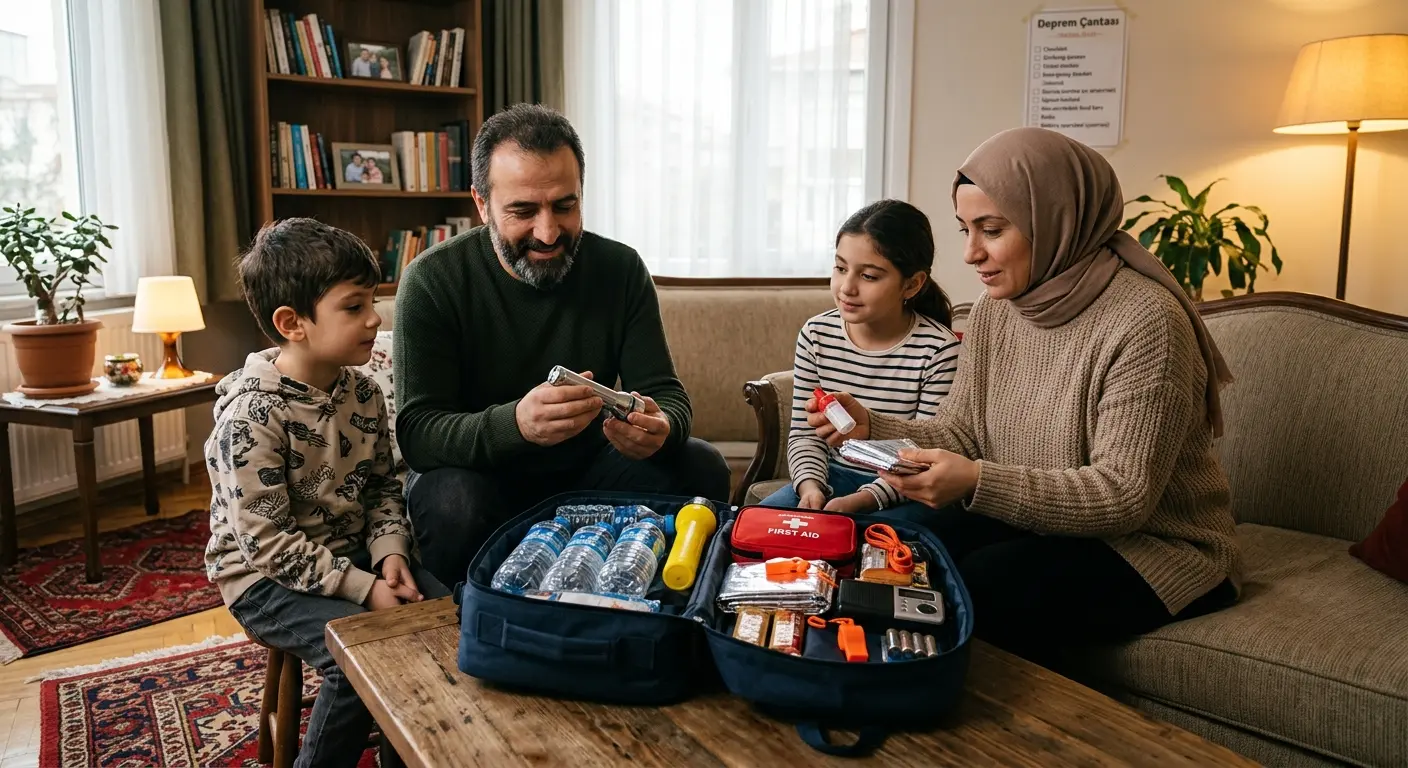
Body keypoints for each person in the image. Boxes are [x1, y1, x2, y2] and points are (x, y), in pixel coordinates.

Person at [809, 127, 1240, 665]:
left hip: (1152, 544)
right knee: (897, 547)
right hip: (1036, 519)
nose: (970, 254)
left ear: (1054, 219)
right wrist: (874, 424)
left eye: (991, 229)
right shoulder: (998, 308)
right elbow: (962, 431)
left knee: (979, 585)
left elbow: (1122, 496)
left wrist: (976, 479)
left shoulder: (1146, 321)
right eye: (965, 229)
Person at [394, 103, 731, 589]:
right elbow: (419, 434)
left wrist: (661, 427)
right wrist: (517, 424)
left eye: (564, 206)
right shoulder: (431, 280)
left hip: (591, 474)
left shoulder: (620, 270)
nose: (548, 233)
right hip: (481, 478)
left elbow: (666, 392)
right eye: (523, 211)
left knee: (700, 465)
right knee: (451, 501)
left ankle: (650, 607)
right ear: (481, 203)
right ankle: (485, 614)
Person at [206, 218, 449, 768]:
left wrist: (389, 553)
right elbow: (265, 544)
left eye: (374, 300)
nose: (374, 319)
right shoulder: (251, 418)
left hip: (350, 556)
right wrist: (364, 590)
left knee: (443, 618)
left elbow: (385, 486)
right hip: (262, 579)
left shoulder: (362, 393)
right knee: (357, 663)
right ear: (293, 323)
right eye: (354, 306)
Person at [760, 199, 960, 524]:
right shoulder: (816, 334)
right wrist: (811, 488)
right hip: (830, 478)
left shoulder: (938, 350)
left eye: (868, 276)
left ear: (912, 284)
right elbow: (805, 433)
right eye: (840, 268)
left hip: (905, 490)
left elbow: (923, 451)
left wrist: (862, 500)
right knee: (759, 524)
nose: (847, 287)